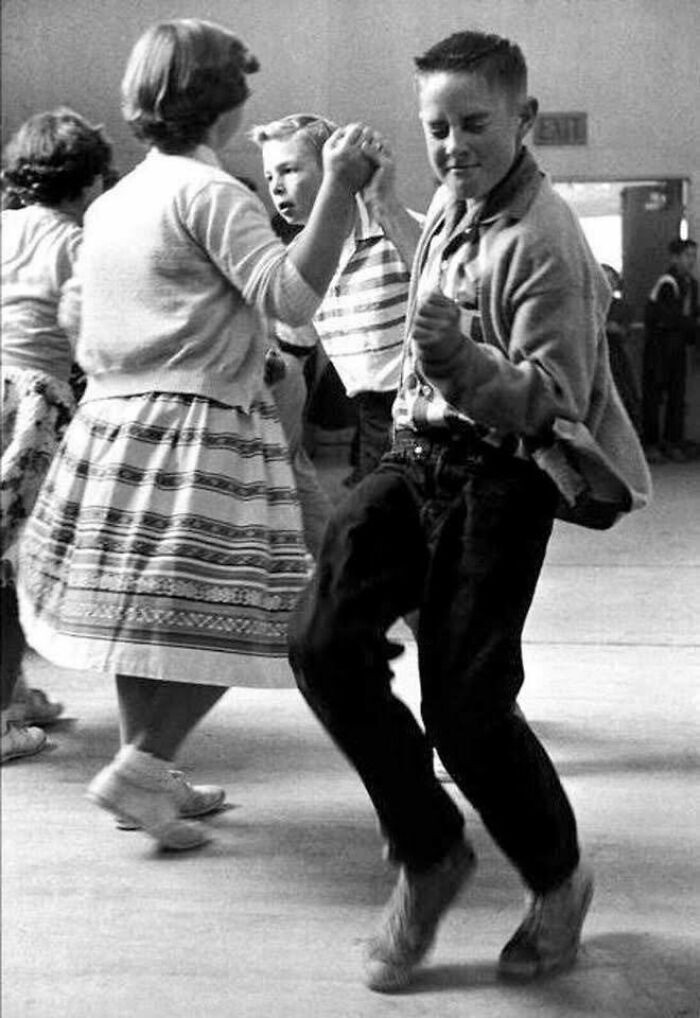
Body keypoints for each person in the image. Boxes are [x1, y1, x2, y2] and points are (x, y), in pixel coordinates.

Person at [288, 29, 651, 992]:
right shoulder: (455, 197)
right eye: (437, 129)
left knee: (465, 711)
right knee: (322, 642)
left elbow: (552, 402)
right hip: (414, 455)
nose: (453, 147)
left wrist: (455, 359)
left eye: (474, 125)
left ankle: (559, 880)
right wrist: (374, 201)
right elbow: (435, 281)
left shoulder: (548, 241)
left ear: (525, 120)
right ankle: (431, 849)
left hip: (502, 476)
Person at [16, 18, 378, 850]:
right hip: (198, 432)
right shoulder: (211, 193)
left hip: (115, 427)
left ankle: (152, 772)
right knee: (251, 612)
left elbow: (81, 322)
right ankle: (142, 767)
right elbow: (289, 298)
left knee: (148, 617)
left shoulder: (113, 201)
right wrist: (338, 190)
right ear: (221, 105)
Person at [1, 108, 114, 763]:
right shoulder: (76, 243)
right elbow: (93, 337)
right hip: (31, 406)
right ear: (88, 182)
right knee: (22, 562)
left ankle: (12, 688)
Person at [252, 114, 421, 487]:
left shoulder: (398, 227)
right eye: (269, 177)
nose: (276, 188)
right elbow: (293, 354)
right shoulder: (299, 262)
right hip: (371, 415)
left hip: (424, 409)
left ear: (334, 171)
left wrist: (387, 207)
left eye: (289, 170)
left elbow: (443, 291)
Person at [642, 238, 699, 463]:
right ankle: (651, 443)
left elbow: (691, 314)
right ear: (674, 258)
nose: (691, 260)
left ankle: (673, 441)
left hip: (678, 350)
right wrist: (693, 324)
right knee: (654, 398)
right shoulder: (666, 283)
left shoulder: (692, 284)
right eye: (687, 255)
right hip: (658, 349)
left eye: (694, 256)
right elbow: (666, 318)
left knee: (677, 397)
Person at [600, 263, 642, 436]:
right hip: (593, 358)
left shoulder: (622, 307)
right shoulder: (587, 305)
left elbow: (625, 331)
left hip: (616, 358)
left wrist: (615, 329)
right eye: (603, 279)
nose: (608, 283)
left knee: (624, 397)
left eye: (611, 279)